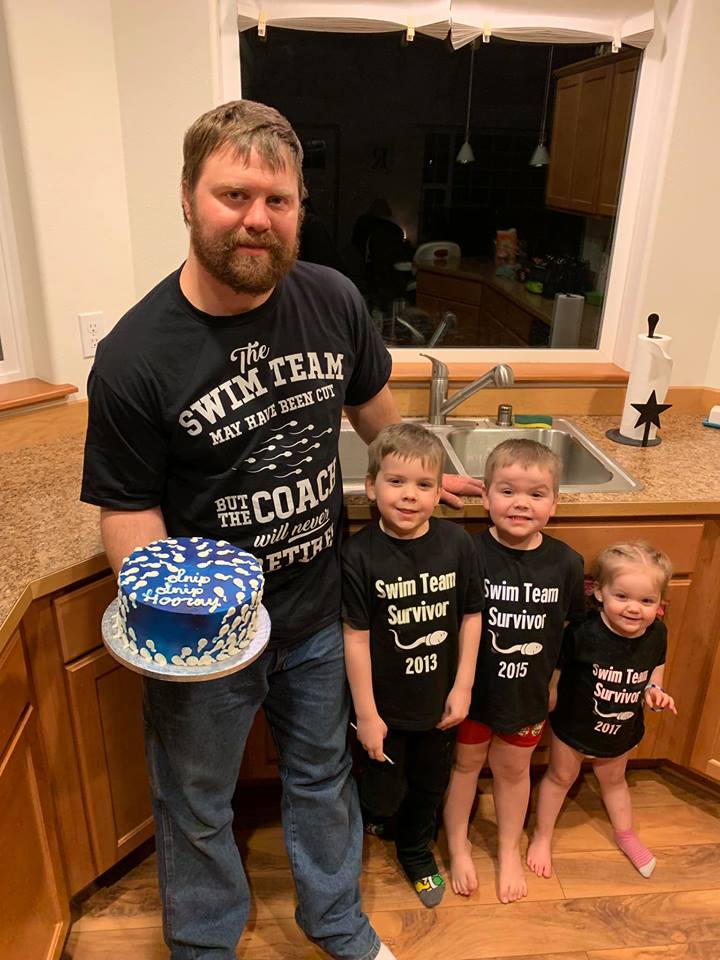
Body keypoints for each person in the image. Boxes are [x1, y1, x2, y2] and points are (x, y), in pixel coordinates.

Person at [80, 99, 424, 960]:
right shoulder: (135, 356)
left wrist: (423, 468)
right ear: (187, 198)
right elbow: (128, 506)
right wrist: (178, 628)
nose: (257, 218)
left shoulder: (332, 299)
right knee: (196, 802)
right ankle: (203, 946)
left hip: (315, 611)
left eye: (278, 199)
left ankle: (336, 922)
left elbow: (375, 412)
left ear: (300, 207)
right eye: (234, 195)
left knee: (322, 773)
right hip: (210, 636)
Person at [341, 423, 483, 908]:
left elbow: (470, 616)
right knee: (380, 796)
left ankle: (416, 851)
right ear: (371, 486)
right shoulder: (358, 555)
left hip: (439, 705)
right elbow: (355, 636)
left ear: (439, 492)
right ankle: (381, 821)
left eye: (424, 485)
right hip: (383, 708)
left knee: (429, 786)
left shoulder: (457, 543)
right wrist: (367, 714)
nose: (409, 495)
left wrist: (463, 687)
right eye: (396, 482)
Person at [443, 438, 585, 904]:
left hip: (527, 696)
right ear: (485, 496)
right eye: (507, 491)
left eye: (536, 494)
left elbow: (568, 630)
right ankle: (458, 844)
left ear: (554, 504)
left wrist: (555, 682)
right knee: (465, 766)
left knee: (513, 770)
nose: (521, 503)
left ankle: (507, 849)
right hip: (472, 694)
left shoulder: (567, 563)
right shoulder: (467, 553)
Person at [527, 541, 677, 881]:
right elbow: (557, 672)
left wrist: (655, 693)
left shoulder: (657, 635)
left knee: (614, 780)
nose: (633, 608)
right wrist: (549, 697)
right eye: (622, 596)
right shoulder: (582, 633)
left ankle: (626, 834)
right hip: (573, 727)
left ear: (660, 604)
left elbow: (655, 676)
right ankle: (542, 836)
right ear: (599, 592)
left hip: (622, 728)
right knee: (560, 778)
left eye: (646, 601)